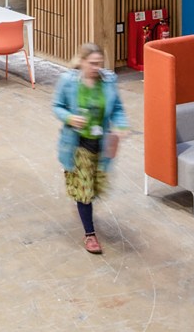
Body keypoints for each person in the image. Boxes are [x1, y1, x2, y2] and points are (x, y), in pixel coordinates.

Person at [52, 42, 129, 255]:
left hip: (101, 145)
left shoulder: (108, 81)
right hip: (77, 145)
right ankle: (90, 235)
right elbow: (56, 106)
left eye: (99, 63)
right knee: (85, 193)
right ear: (83, 61)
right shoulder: (68, 81)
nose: (96, 68)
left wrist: (122, 125)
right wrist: (69, 117)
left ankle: (81, 200)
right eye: (92, 63)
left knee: (97, 190)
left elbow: (118, 109)